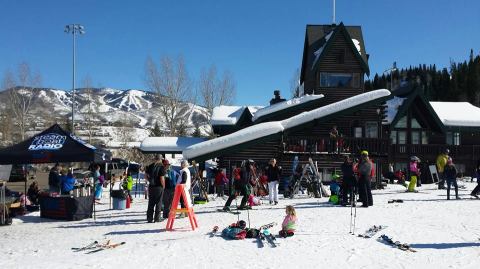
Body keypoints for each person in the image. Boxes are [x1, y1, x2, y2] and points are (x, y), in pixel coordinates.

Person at [145, 155, 165, 223]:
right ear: (160, 159)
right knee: (158, 202)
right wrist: (163, 186)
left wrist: (150, 181)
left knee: (151, 202)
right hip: (158, 187)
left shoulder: (150, 166)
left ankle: (149, 218)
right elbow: (162, 178)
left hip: (151, 186)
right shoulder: (161, 167)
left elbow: (145, 176)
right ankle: (157, 218)